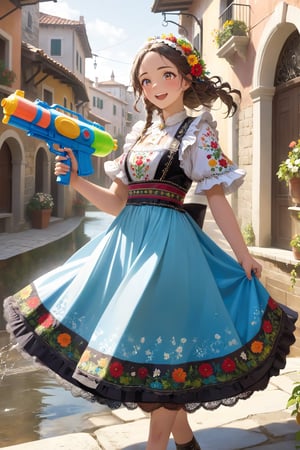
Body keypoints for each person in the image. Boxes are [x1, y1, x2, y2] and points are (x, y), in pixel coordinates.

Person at [4, 34, 297, 450]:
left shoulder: (198, 132)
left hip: (171, 254)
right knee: (142, 362)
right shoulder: (138, 137)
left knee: (162, 362)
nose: (156, 86)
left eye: (165, 74)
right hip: (125, 249)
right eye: (145, 80)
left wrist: (243, 254)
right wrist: (77, 181)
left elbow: (217, 200)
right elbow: (119, 205)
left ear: (184, 78)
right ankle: (187, 443)